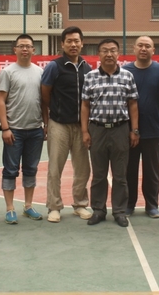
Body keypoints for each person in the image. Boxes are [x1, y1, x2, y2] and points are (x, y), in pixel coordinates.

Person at [81, 38, 139, 228]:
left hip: (120, 130)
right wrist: (85, 131)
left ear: (118, 54)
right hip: (97, 130)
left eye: (113, 50)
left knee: (120, 175)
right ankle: (98, 210)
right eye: (105, 50)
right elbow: (85, 105)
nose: (109, 54)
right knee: (99, 174)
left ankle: (119, 211)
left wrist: (134, 130)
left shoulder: (127, 76)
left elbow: (133, 104)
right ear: (98, 54)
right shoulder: (90, 77)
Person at [41, 26, 92, 223]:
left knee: (82, 169)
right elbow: (45, 95)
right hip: (59, 124)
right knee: (55, 168)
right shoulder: (54, 67)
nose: (73, 44)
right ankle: (54, 207)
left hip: (81, 127)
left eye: (76, 41)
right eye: (69, 41)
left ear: (82, 43)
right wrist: (49, 120)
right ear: (62, 44)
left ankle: (80, 204)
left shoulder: (87, 68)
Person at [0, 34, 45, 224]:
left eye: (28, 46)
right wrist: (5, 128)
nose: (25, 49)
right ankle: (10, 208)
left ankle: (28, 206)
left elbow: (44, 101)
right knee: (10, 170)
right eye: (21, 46)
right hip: (14, 130)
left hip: (35, 130)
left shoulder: (40, 72)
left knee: (31, 169)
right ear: (15, 49)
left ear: (34, 50)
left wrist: (45, 125)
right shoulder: (8, 72)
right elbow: (0, 100)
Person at [123, 36, 159, 219]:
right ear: (134, 48)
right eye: (140, 45)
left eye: (147, 46)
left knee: (152, 171)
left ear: (153, 50)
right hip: (128, 131)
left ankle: (152, 205)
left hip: (153, 129)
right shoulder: (125, 71)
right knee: (129, 170)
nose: (143, 49)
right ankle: (129, 204)